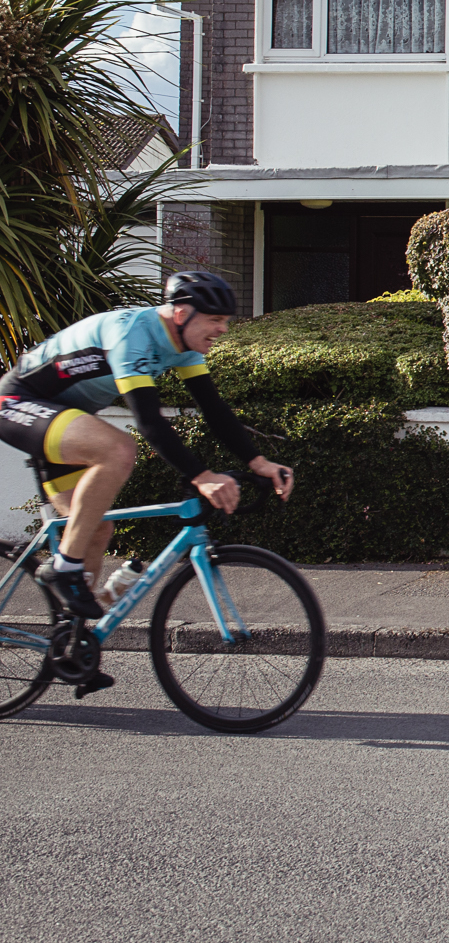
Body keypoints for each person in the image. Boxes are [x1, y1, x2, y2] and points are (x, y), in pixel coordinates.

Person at [0, 271, 295, 696]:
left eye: (226, 321)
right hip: (20, 405)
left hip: (60, 419)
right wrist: (203, 477)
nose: (222, 329)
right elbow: (150, 423)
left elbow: (213, 409)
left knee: (96, 528)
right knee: (119, 449)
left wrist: (259, 461)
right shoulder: (131, 335)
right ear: (180, 313)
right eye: (214, 319)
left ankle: (71, 647)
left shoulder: (183, 346)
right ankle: (63, 567)